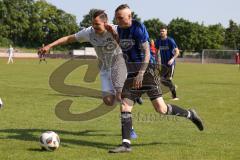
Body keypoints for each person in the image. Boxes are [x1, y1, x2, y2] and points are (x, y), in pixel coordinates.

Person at [108, 4, 204, 153]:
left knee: (161, 109)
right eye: (116, 18)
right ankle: (125, 145)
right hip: (132, 72)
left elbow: (147, 52)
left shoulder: (138, 28)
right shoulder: (120, 29)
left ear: (129, 17)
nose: (117, 20)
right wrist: (113, 35)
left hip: (147, 71)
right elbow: (123, 46)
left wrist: (141, 73)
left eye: (120, 17)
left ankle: (190, 115)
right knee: (125, 106)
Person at [39, 9, 137, 138]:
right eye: (93, 23)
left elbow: (130, 44)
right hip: (104, 67)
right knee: (108, 100)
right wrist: (49, 46)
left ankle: (129, 128)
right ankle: (130, 97)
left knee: (120, 97)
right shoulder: (89, 32)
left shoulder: (116, 29)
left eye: (97, 24)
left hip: (119, 64)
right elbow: (69, 38)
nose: (94, 27)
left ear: (105, 23)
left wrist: (115, 35)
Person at [155, 25, 179, 100]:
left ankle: (175, 96)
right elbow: (156, 51)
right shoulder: (158, 41)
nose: (162, 32)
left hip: (170, 64)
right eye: (161, 31)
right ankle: (173, 87)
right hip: (163, 64)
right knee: (162, 80)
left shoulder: (170, 40)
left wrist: (172, 59)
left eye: (163, 31)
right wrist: (156, 61)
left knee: (168, 80)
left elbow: (177, 52)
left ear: (166, 31)